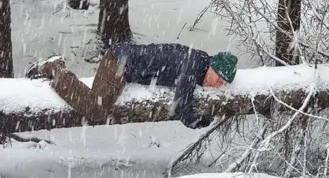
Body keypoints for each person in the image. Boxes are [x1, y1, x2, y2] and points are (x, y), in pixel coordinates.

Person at [26, 42, 238, 129]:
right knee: (97, 109)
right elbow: (182, 108)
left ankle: (59, 72)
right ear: (211, 66)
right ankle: (55, 70)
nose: (218, 85)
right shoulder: (193, 65)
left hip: (127, 61)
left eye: (223, 83)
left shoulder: (199, 63)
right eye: (218, 78)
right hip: (119, 62)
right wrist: (201, 121)